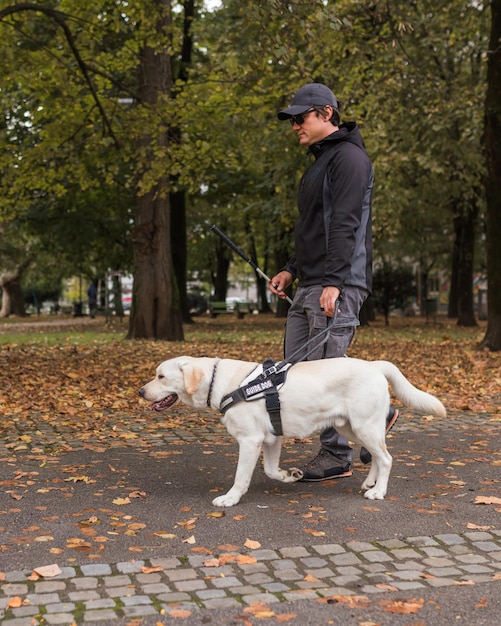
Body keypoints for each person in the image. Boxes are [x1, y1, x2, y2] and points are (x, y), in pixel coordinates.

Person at [269, 82, 398, 481]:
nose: (295, 126)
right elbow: (313, 228)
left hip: (337, 282)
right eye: (292, 120)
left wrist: (335, 282)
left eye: (300, 117)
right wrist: (291, 267)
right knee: (296, 370)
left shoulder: (350, 160)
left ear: (326, 113)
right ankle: (382, 412)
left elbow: (345, 224)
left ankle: (335, 455)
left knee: (327, 371)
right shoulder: (320, 161)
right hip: (312, 279)